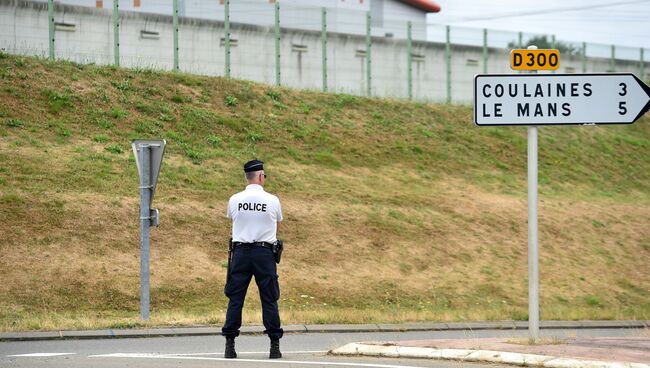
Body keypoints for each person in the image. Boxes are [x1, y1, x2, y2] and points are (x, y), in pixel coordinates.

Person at [222, 159, 284, 359]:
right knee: (269, 299)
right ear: (260, 176)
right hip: (264, 254)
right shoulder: (272, 200)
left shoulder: (234, 199)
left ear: (247, 177)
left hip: (240, 253)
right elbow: (277, 225)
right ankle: (274, 346)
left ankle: (229, 345)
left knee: (235, 299)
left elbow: (233, 219)